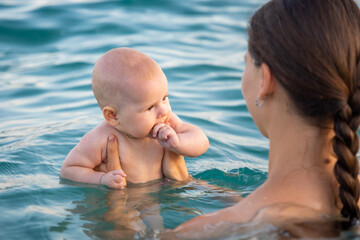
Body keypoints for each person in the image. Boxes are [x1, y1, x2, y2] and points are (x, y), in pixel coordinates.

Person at [166, 0, 360, 236]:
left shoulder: (203, 232)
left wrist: (119, 213)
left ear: (265, 81)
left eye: (245, 62)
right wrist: (190, 183)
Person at [60, 47, 209, 189]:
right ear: (113, 116)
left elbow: (202, 141)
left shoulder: (168, 123)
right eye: (149, 108)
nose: (163, 110)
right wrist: (101, 179)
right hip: (132, 195)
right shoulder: (102, 138)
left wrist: (178, 143)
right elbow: (69, 170)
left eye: (165, 98)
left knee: (216, 192)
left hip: (171, 186)